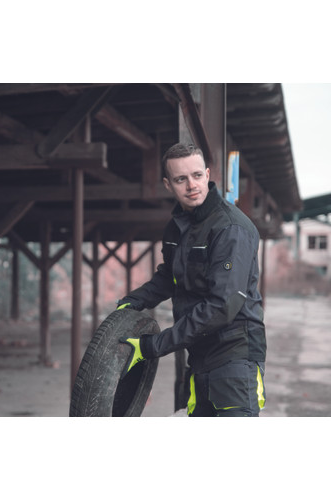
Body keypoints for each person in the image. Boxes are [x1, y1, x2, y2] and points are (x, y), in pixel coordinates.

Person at [117, 142, 266, 417]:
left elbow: (222, 306)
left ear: (207, 175)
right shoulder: (176, 228)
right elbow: (169, 277)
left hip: (235, 357)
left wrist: (153, 346)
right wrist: (133, 301)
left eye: (197, 175)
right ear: (168, 184)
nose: (191, 185)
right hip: (199, 356)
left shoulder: (230, 228)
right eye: (180, 179)